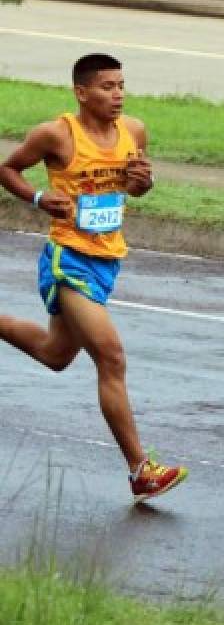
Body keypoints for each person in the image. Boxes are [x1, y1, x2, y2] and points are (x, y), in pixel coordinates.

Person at [0, 53, 187, 502]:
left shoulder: (134, 131)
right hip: (69, 260)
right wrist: (39, 197)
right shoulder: (56, 134)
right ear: (81, 92)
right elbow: (7, 169)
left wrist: (143, 182)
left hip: (108, 258)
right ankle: (141, 469)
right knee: (111, 356)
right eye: (107, 87)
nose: (117, 94)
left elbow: (136, 185)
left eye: (121, 85)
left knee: (56, 353)